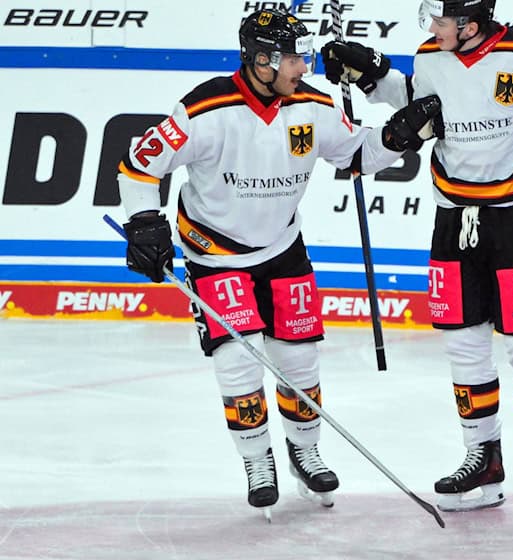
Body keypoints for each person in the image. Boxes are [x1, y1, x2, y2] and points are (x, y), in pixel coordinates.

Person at [116, 8, 441, 521]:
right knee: (237, 362)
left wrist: (399, 136)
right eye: (293, 57)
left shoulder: (312, 103)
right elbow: (138, 165)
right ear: (261, 59)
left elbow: (353, 154)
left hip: (283, 249)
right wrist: (144, 221)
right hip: (216, 254)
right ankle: (256, 461)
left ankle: (304, 450)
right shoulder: (204, 109)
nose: (303, 66)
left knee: (299, 359)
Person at [321, 0, 513, 514]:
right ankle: (483, 458)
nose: (432, 30)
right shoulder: (432, 54)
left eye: (440, 21)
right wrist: (372, 74)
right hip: (454, 216)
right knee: (463, 342)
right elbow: (419, 98)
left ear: (472, 24)